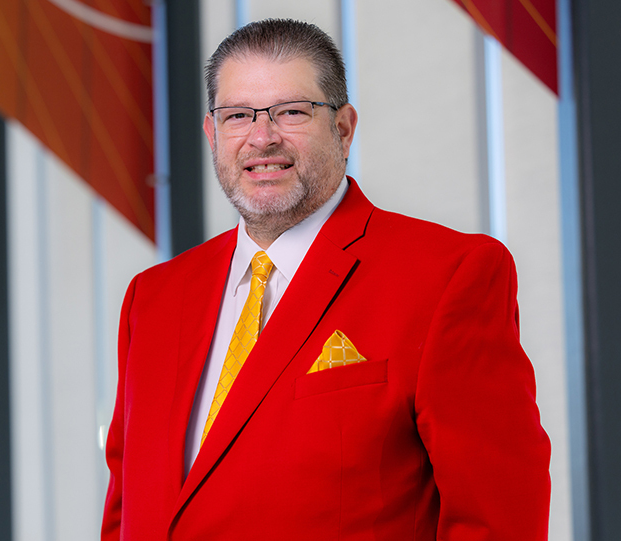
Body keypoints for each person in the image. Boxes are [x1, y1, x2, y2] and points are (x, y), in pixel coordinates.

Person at [101, 18, 551, 540]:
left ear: (343, 128)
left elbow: (499, 520)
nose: (261, 138)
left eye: (291, 112)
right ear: (212, 134)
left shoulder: (448, 274)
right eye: (238, 116)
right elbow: (125, 509)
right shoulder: (152, 298)